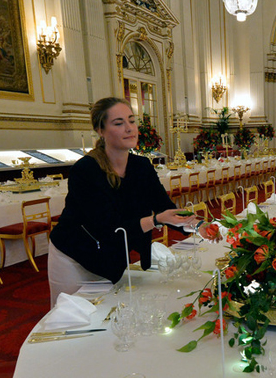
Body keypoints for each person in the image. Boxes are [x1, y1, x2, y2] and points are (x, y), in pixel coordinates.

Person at [49, 97, 220, 304]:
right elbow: (106, 227)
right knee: (73, 319)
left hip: (111, 254)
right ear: (100, 131)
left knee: (112, 313)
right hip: (74, 258)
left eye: (131, 121)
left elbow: (164, 207)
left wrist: (198, 225)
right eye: (119, 123)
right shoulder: (85, 171)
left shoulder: (141, 166)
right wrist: (155, 220)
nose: (129, 128)